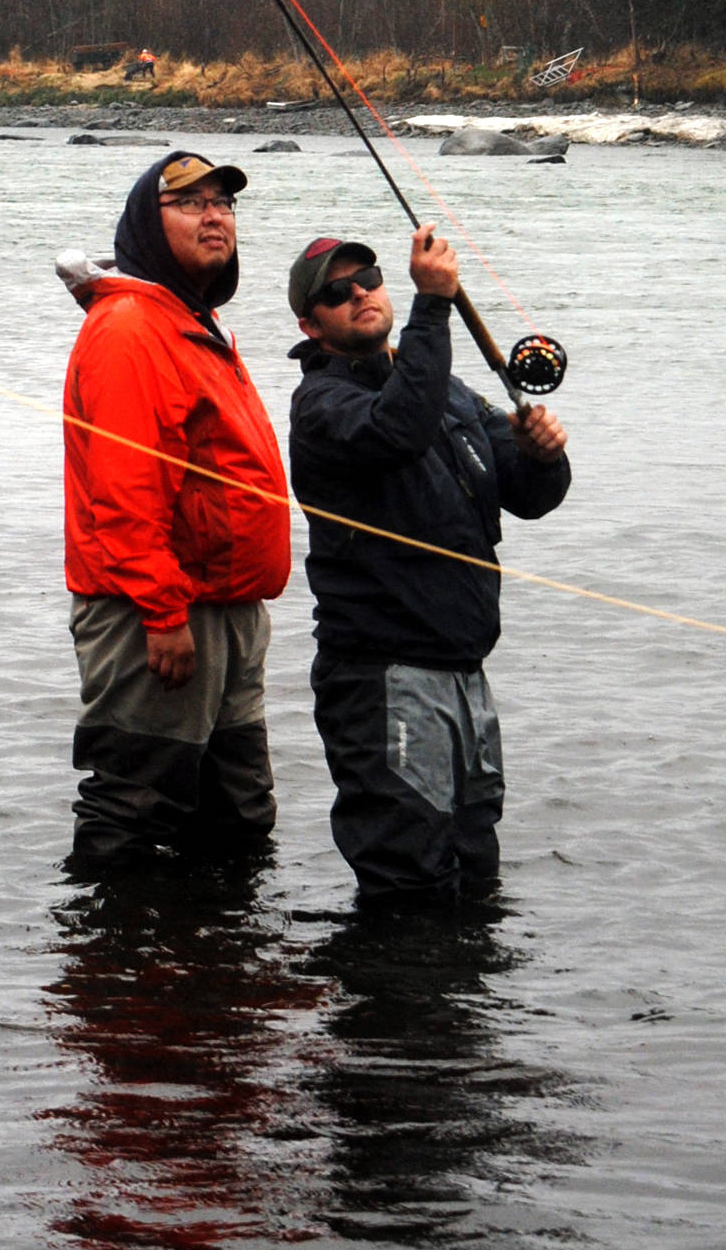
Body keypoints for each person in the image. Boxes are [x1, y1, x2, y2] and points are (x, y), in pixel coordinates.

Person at [286, 225, 570, 906]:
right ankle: (395, 1010)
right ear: (311, 323)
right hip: (382, 677)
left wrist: (544, 453)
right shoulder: (322, 406)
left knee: (476, 871)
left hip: (466, 677)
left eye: (370, 277)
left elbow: (531, 497)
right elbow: (397, 427)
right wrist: (434, 304)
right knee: (407, 884)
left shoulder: (445, 387)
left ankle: (467, 1011)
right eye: (337, 290)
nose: (360, 293)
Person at [60, 151, 292, 874]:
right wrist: (162, 612)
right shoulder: (131, 326)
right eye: (190, 203)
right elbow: (124, 488)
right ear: (146, 222)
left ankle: (214, 974)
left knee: (237, 813)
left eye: (224, 203)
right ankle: (112, 974)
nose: (215, 214)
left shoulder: (194, 322)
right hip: (157, 613)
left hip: (226, 608)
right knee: (135, 806)